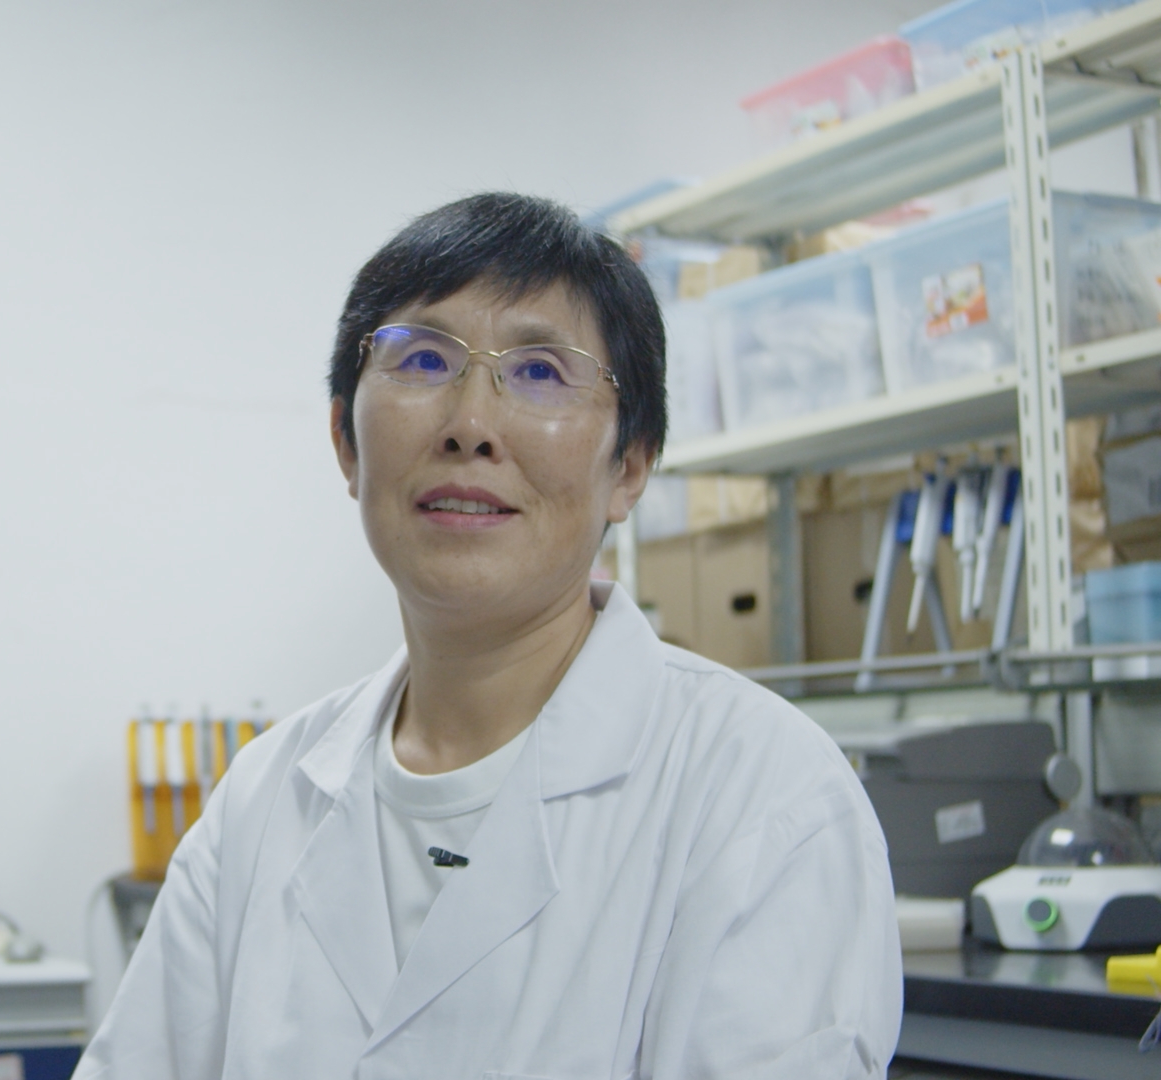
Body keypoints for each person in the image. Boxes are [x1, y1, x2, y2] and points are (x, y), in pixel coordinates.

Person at [74, 193, 902, 1079]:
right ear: (346, 442)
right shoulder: (262, 803)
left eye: (541, 372)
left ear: (629, 467)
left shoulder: (762, 794)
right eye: (423, 360)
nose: (471, 426)